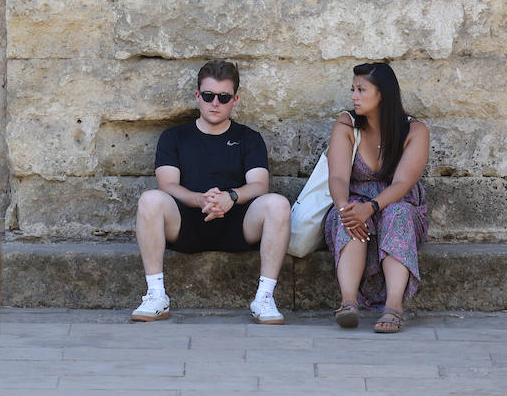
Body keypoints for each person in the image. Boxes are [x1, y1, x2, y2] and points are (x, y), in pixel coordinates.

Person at [131, 59, 291, 324]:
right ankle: (156, 295)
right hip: (185, 224)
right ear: (198, 97)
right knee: (150, 199)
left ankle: (264, 298)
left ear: (234, 100)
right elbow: (167, 185)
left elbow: (260, 185)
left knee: (277, 204)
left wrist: (230, 197)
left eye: (223, 97)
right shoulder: (175, 137)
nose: (215, 103)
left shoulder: (249, 138)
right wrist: (201, 199)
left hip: (237, 225)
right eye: (208, 96)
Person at [325, 61, 430, 333]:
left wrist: (372, 208)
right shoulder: (346, 124)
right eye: (353, 89)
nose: (354, 97)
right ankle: (348, 302)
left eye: (361, 90)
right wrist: (344, 207)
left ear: (382, 93)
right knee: (348, 213)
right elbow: (337, 177)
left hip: (397, 203)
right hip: (355, 200)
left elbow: (403, 183)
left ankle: (394, 305)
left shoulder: (414, 132)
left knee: (397, 214)